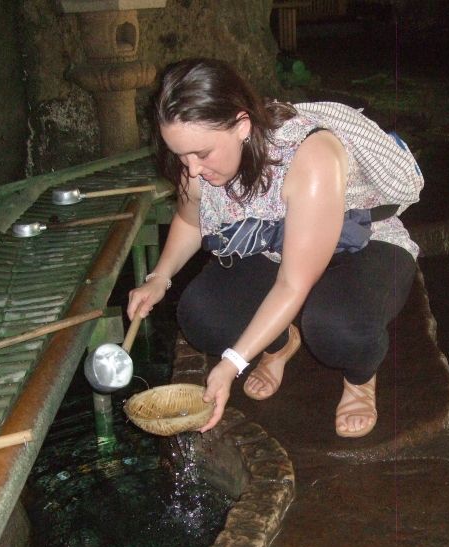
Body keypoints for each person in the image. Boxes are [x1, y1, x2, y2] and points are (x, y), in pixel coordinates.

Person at [127, 58, 424, 438]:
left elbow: (294, 283)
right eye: (180, 154)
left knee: (335, 328)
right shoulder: (193, 160)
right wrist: (159, 278)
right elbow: (189, 220)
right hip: (275, 246)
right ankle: (280, 344)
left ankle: (360, 378)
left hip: (364, 239)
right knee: (203, 317)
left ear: (242, 126)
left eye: (202, 154)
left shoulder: (309, 154)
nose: (192, 168)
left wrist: (232, 363)